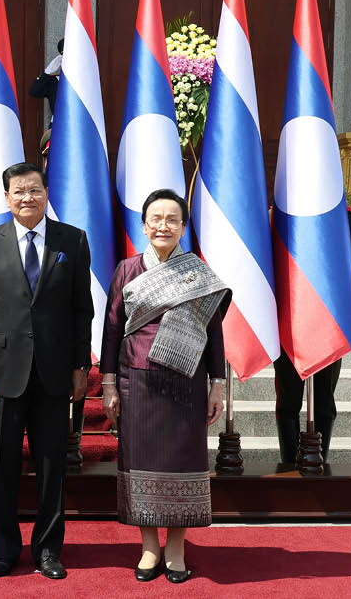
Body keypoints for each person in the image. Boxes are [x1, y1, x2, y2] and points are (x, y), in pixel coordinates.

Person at [0, 162, 93, 580]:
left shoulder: (71, 240)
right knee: (2, 465)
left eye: (34, 190)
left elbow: (81, 311)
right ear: (6, 197)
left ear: (46, 192)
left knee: (52, 465)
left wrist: (80, 365)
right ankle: (4, 549)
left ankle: (48, 550)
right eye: (18, 191)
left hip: (55, 372)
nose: (27, 198)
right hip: (3, 375)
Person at [99, 188, 229, 584]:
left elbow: (214, 332)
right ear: (143, 224)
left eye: (172, 219)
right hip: (136, 382)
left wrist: (217, 385)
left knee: (181, 463)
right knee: (141, 462)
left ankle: (176, 546)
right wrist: (108, 384)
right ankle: (149, 547)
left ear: (183, 227)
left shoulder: (197, 272)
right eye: (155, 218)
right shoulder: (126, 269)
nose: (163, 226)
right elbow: (111, 329)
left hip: (185, 385)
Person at [273, 205, 351, 464]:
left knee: (323, 401)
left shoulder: (344, 215)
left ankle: (317, 463)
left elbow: (349, 262)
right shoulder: (278, 212)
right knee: (288, 400)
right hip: (289, 318)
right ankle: (289, 464)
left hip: (328, 321)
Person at [30, 39, 64, 124]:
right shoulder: (53, 81)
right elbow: (34, 91)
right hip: (57, 125)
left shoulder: (85, 80)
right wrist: (47, 72)